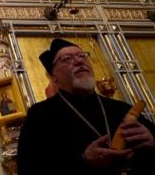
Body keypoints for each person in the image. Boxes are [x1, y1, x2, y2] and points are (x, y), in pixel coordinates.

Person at [17, 38, 155, 175]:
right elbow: (28, 168)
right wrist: (84, 161)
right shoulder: (40, 115)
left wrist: (152, 141)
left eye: (82, 56)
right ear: (54, 77)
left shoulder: (122, 109)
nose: (79, 61)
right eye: (66, 59)